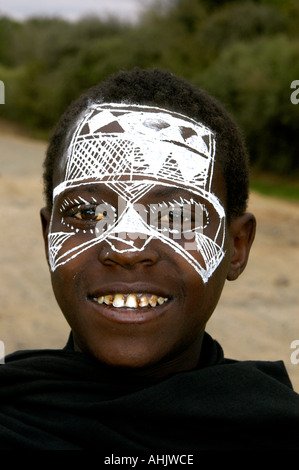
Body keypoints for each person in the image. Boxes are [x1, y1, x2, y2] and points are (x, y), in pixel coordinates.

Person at [0, 68, 298, 451]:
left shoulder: (277, 434)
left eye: (175, 217)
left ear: (236, 246)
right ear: (47, 237)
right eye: (89, 214)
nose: (127, 248)